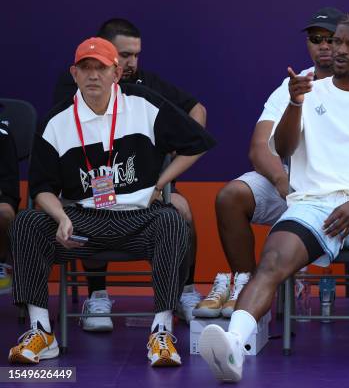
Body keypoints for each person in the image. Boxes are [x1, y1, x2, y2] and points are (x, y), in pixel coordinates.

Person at [199, 12, 349, 382]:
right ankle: (234, 344)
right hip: (312, 204)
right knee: (273, 259)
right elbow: (285, 147)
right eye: (336, 41)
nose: (338, 49)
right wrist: (294, 104)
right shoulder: (305, 91)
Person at [8, 37, 215, 367]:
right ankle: (41, 330)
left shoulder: (144, 104)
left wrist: (161, 184)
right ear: (74, 74)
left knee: (173, 218)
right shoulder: (56, 121)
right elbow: (41, 188)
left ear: (116, 73)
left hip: (137, 218)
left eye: (101, 68)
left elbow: (198, 143)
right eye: (86, 69)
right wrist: (60, 216)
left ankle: (161, 332)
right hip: (80, 223)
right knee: (27, 223)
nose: (93, 76)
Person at [207, 7, 349, 331]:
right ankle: (248, 291)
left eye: (331, 39)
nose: (325, 46)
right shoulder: (293, 85)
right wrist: (282, 181)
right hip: (295, 186)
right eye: (315, 39)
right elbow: (260, 147)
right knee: (231, 196)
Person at [54, 18, 208, 329]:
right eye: (125, 55)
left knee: (182, 211)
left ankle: (184, 292)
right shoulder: (81, 84)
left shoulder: (145, 84)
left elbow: (197, 110)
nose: (132, 63)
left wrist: (175, 148)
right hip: (93, 184)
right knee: (95, 205)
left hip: (149, 186)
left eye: (136, 55)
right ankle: (97, 295)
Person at [0, 124, 19, 294]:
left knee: (4, 213)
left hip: (1, 195)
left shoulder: (3, 134)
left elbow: (9, 182)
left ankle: (1, 263)